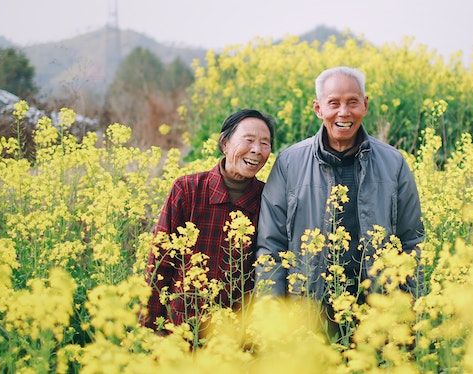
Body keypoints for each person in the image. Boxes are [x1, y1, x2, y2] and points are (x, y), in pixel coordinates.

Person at [256, 66, 424, 302]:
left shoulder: (393, 163)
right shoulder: (289, 163)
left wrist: (411, 309)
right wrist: (271, 310)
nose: (344, 112)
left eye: (352, 102)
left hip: (377, 309)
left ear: (365, 105)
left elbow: (412, 241)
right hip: (309, 309)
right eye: (334, 103)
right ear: (318, 108)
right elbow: (271, 245)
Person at [143, 109, 274, 331]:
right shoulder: (187, 189)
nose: (256, 150)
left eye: (265, 143)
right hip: (181, 330)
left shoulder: (269, 199)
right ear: (224, 143)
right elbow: (160, 263)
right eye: (249, 140)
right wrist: (147, 329)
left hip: (234, 338)